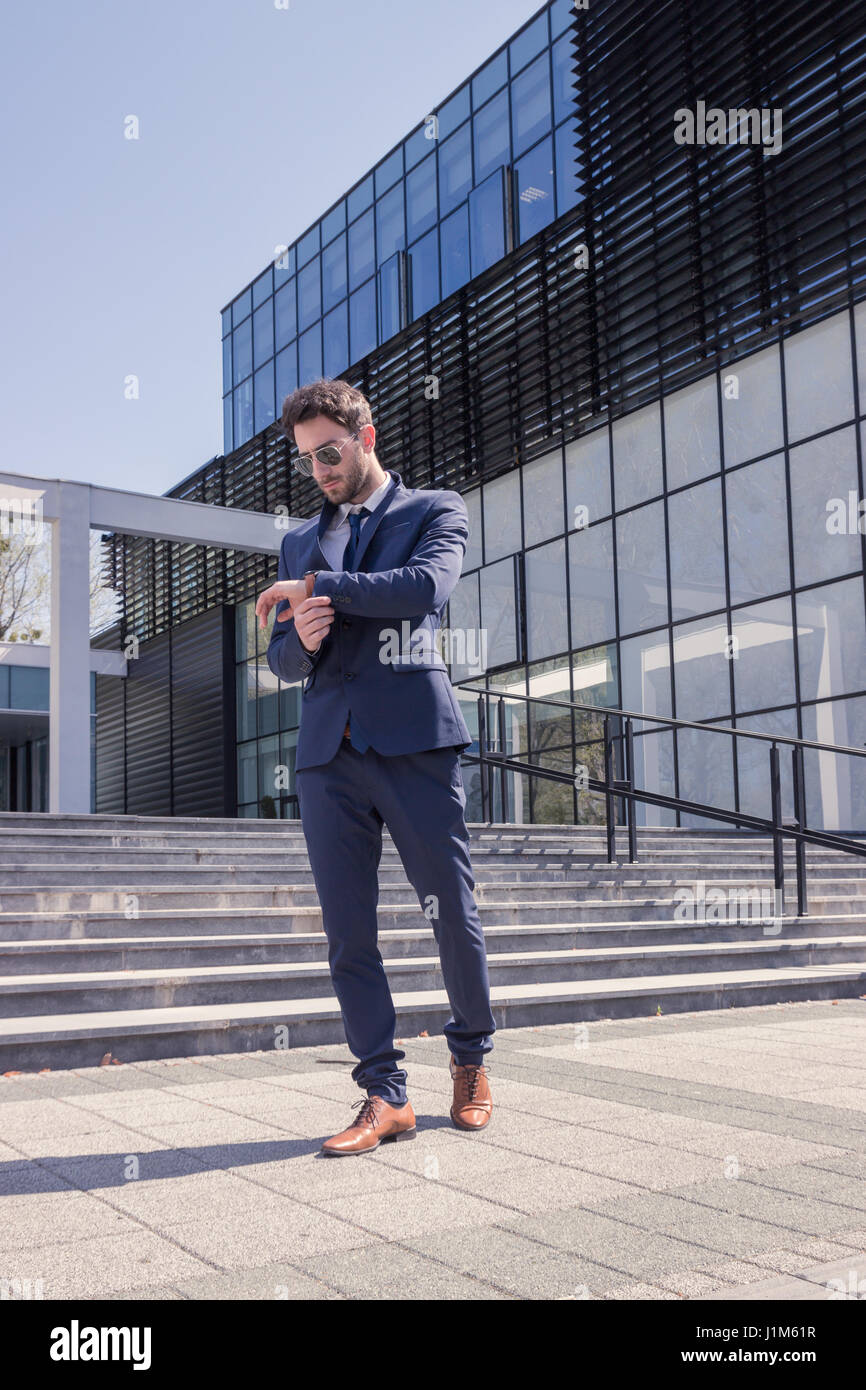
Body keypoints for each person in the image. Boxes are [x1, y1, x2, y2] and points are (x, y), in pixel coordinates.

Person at [255, 378, 496, 1156]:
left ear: (365, 436)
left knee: (450, 914)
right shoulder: (299, 542)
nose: (321, 470)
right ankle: (384, 1094)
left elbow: (426, 589)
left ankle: (469, 1059)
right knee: (347, 935)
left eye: (330, 452)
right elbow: (283, 659)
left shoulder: (435, 510)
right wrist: (308, 638)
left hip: (414, 743)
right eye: (308, 460)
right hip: (328, 757)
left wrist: (322, 591)